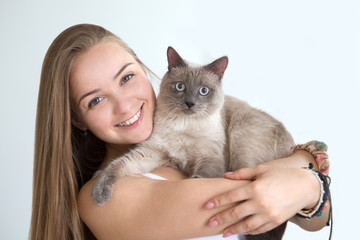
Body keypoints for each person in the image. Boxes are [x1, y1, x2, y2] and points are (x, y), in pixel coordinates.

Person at [30, 24, 331, 240]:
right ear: (78, 120)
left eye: (127, 77)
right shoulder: (103, 201)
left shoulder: (204, 130)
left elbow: (316, 219)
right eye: (95, 100)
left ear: (144, 68)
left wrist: (307, 180)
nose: (124, 106)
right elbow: (269, 198)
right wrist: (308, 166)